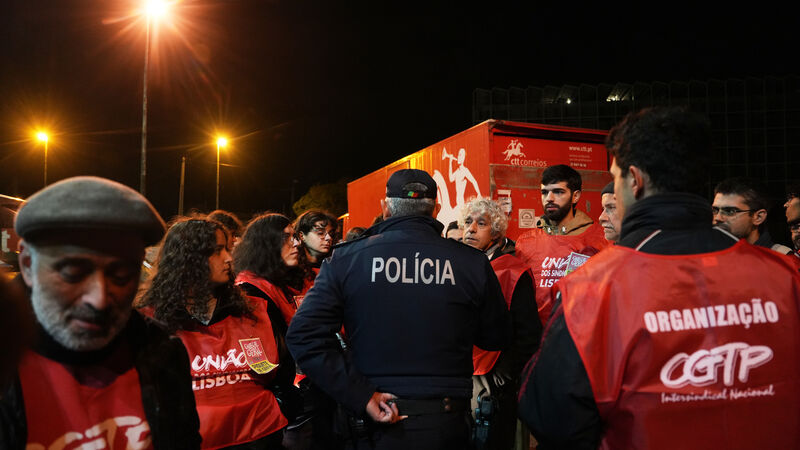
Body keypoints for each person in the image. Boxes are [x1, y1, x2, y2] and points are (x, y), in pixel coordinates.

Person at [518, 107, 800, 449]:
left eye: (615, 177)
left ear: (634, 181)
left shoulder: (592, 288)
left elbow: (551, 416)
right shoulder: (786, 275)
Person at [286, 169, 509, 450]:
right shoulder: (471, 262)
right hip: (444, 419)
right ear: (436, 209)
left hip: (372, 419)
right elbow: (496, 336)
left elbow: (303, 336)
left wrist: (360, 395)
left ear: (386, 208)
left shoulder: (347, 259)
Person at [2, 176, 200, 449]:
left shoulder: (163, 353)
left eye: (122, 276)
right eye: (73, 273)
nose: (99, 300)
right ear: (27, 265)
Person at [137, 217, 287, 449]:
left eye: (227, 249)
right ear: (188, 259)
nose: (229, 258)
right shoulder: (150, 323)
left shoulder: (253, 311)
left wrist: (282, 407)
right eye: (217, 251)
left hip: (261, 438)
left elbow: (283, 375)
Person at [233, 213, 340, 450]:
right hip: (289, 404)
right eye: (286, 237)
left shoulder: (292, 279)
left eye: (295, 236)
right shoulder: (250, 289)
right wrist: (285, 399)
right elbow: (258, 356)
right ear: (266, 244)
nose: (296, 243)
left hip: (315, 390)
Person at [458, 198, 541, 450]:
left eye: (481, 223)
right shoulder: (457, 266)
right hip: (460, 377)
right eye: (467, 222)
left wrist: (503, 378)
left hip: (492, 381)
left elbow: (528, 335)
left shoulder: (513, 271)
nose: (471, 229)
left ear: (495, 232)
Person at [515, 164, 608, 323]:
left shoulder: (601, 238)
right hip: (535, 333)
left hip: (579, 329)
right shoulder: (525, 242)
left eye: (558, 192)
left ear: (575, 196)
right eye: (544, 192)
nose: (549, 198)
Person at [712, 177, 793, 254]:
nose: (718, 218)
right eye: (715, 210)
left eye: (730, 211)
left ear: (758, 217)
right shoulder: (709, 255)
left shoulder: (781, 259)